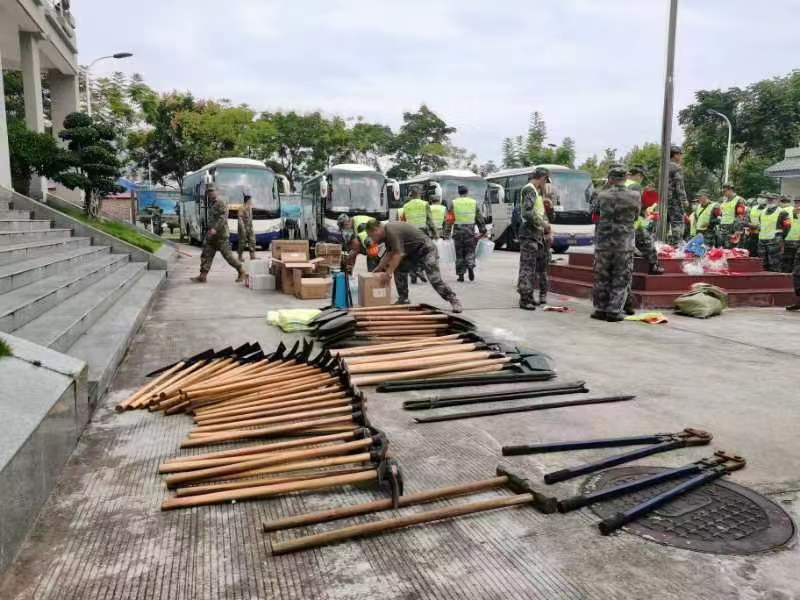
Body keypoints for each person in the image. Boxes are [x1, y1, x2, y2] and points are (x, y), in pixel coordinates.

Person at [366, 220, 462, 313]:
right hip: (412, 253)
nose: (373, 239)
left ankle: (453, 300)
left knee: (434, 279)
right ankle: (403, 299)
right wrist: (379, 268)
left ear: (376, 230)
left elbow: (398, 254)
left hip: (426, 251)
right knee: (399, 269)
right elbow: (389, 252)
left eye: (372, 235)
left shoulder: (391, 230)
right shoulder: (386, 234)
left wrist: (388, 273)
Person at [591, 165, 640, 322]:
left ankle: (600, 309)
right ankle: (614, 310)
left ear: (610, 178)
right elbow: (636, 216)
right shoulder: (634, 195)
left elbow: (594, 212)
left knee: (602, 277)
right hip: (623, 243)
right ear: (625, 178)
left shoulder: (602, 195)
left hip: (603, 243)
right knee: (621, 277)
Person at [192, 185, 245, 283]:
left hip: (221, 236)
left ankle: (241, 271)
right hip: (211, 236)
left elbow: (223, 217)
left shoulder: (221, 202)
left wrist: (215, 228)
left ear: (217, 192)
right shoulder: (211, 203)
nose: (210, 193)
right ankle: (203, 276)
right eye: (208, 192)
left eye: (212, 191)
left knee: (228, 257)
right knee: (206, 254)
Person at [517, 167, 552, 309]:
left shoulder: (536, 192)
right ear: (542, 178)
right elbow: (527, 213)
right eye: (546, 181)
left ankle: (529, 296)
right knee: (527, 268)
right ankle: (525, 299)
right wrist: (543, 224)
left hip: (535, 235)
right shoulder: (530, 189)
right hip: (529, 234)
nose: (546, 184)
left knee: (532, 268)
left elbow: (538, 212)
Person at [625, 165, 664, 276]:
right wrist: (643, 214)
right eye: (642, 177)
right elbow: (636, 205)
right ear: (638, 175)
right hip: (631, 223)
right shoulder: (635, 185)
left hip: (614, 223)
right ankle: (654, 266)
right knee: (647, 242)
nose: (641, 180)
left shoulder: (617, 184)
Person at [445, 185, 487, 282]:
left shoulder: (454, 203)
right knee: (470, 251)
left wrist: (446, 233)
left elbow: (449, 219)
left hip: (458, 231)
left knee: (459, 253)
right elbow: (479, 218)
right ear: (467, 192)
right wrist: (483, 230)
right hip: (470, 231)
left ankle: (461, 275)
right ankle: (470, 265)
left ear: (459, 193)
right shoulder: (473, 202)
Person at [402, 187, 436, 284]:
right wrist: (435, 232)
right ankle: (419, 269)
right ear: (419, 194)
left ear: (411, 195)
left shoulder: (406, 206)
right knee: (423, 253)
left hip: (409, 231)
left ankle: (413, 275)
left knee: (411, 253)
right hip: (422, 231)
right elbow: (430, 220)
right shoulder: (425, 204)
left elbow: (403, 220)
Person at [758, 193, 792, 272]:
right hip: (762, 242)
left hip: (774, 243)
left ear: (777, 200)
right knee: (762, 265)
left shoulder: (782, 212)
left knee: (775, 265)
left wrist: (781, 238)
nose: (770, 201)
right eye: (768, 199)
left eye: (772, 199)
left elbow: (787, 227)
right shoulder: (762, 212)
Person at [667, 145, 689, 245]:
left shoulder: (664, 167)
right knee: (677, 222)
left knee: (665, 222)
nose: (681, 157)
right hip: (674, 200)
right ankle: (677, 244)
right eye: (680, 154)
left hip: (664, 200)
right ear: (675, 155)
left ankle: (664, 244)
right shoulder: (676, 167)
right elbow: (679, 185)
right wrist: (684, 200)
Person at [718, 183, 747, 249]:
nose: (724, 193)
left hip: (733, 229)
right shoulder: (724, 201)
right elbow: (722, 214)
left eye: (725, 191)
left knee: (733, 249)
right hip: (724, 229)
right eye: (723, 191)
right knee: (724, 249)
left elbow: (740, 217)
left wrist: (737, 231)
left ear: (731, 190)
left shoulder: (739, 200)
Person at [781, 196, 800, 273]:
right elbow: (784, 226)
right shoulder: (787, 211)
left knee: (793, 263)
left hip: (792, 240)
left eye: (798, 202)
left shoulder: (787, 211)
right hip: (789, 240)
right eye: (796, 202)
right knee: (788, 262)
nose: (797, 204)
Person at [237, 189, 257, 261]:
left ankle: (252, 256)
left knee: (252, 241)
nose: (251, 201)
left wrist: (251, 227)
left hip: (249, 228)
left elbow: (250, 219)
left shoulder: (250, 208)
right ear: (248, 201)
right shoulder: (241, 208)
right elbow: (240, 219)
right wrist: (242, 229)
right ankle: (240, 256)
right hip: (243, 228)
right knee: (242, 242)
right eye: (250, 200)